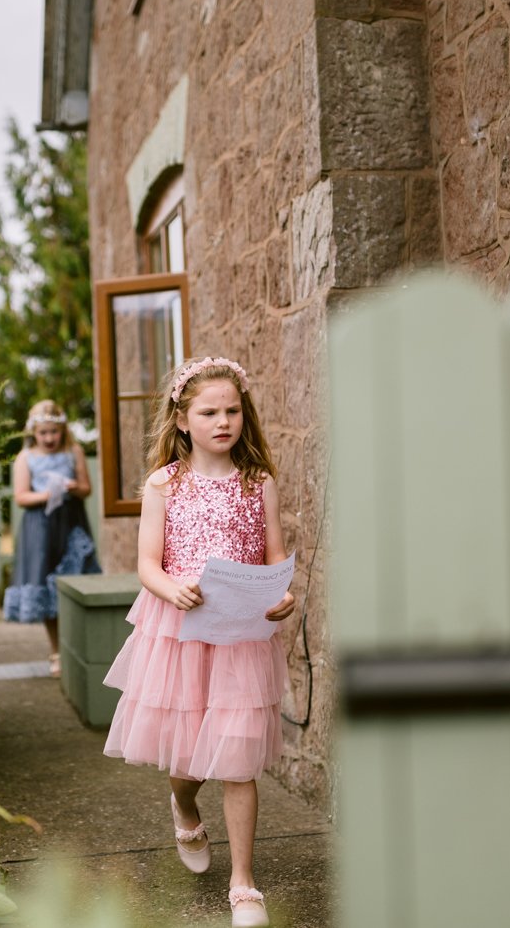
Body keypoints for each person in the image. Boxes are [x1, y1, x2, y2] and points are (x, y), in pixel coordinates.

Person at [101, 356, 296, 928]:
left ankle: (243, 884)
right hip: (182, 630)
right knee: (190, 758)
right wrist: (172, 588)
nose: (223, 421)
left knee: (238, 760)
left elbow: (276, 555)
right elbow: (146, 563)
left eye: (232, 410)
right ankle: (184, 803)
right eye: (209, 411)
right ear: (183, 419)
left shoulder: (259, 484)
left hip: (241, 635)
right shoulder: (166, 483)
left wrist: (285, 595)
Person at [4, 399, 100, 675]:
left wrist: (71, 487)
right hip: (41, 525)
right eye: (43, 433)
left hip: (70, 520)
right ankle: (57, 650)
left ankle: (80, 648)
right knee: (46, 584)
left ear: (63, 430)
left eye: (53, 432)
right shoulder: (26, 457)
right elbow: (21, 496)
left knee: (76, 578)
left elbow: (86, 488)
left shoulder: (74, 451)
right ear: (33, 432)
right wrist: (48, 493)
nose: (48, 438)